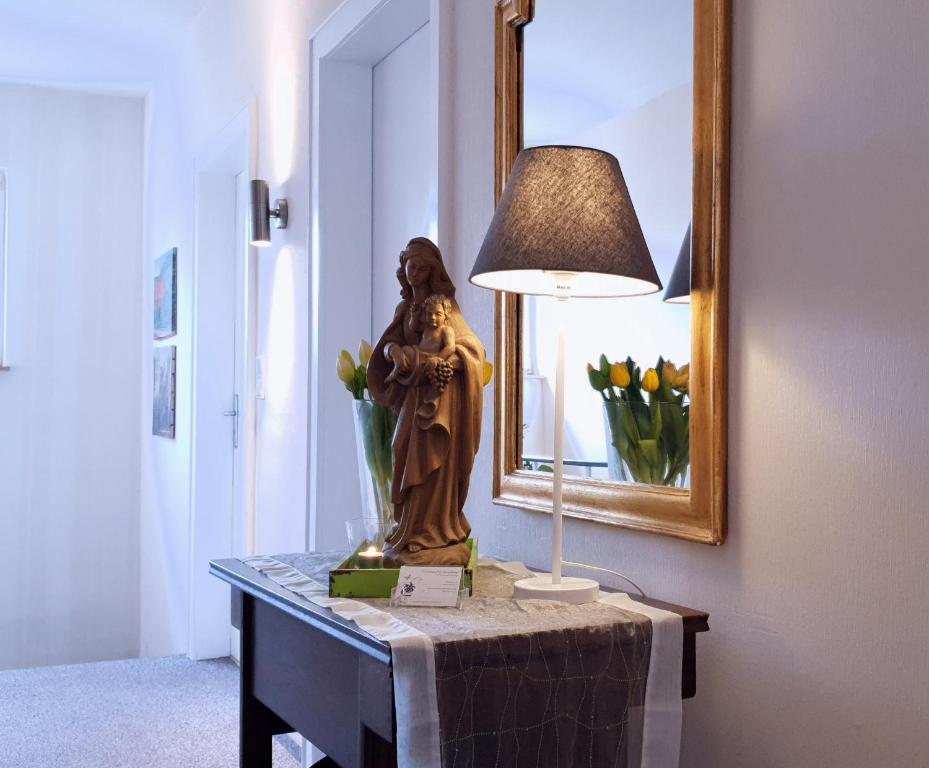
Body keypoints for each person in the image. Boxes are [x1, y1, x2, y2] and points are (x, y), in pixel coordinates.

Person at [367, 238, 485, 566]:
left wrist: (443, 363)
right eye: (410, 266)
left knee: (432, 462)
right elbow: (388, 343)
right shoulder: (405, 309)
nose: (415, 272)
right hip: (413, 394)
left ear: (432, 270)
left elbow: (471, 350)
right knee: (400, 446)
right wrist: (394, 351)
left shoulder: (446, 307)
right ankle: (409, 528)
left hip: (439, 399)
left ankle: (433, 533)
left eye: (421, 267)